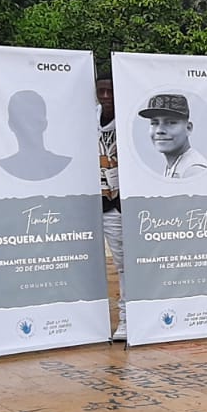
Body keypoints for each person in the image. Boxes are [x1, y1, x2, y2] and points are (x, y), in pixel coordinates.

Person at [96, 72, 127, 340]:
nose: (106, 97)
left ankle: (130, 318)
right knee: (119, 263)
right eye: (101, 91)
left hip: (126, 201)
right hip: (101, 202)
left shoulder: (129, 123)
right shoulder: (87, 122)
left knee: (130, 263)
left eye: (110, 91)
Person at [0, 90, 72, 181]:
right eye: (22, 119)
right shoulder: (63, 164)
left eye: (31, 118)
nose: (27, 126)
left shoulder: (63, 163)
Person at [140, 93, 207, 179]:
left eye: (171, 122)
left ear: (188, 128)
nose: (159, 130)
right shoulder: (175, 165)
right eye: (154, 123)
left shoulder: (194, 170)